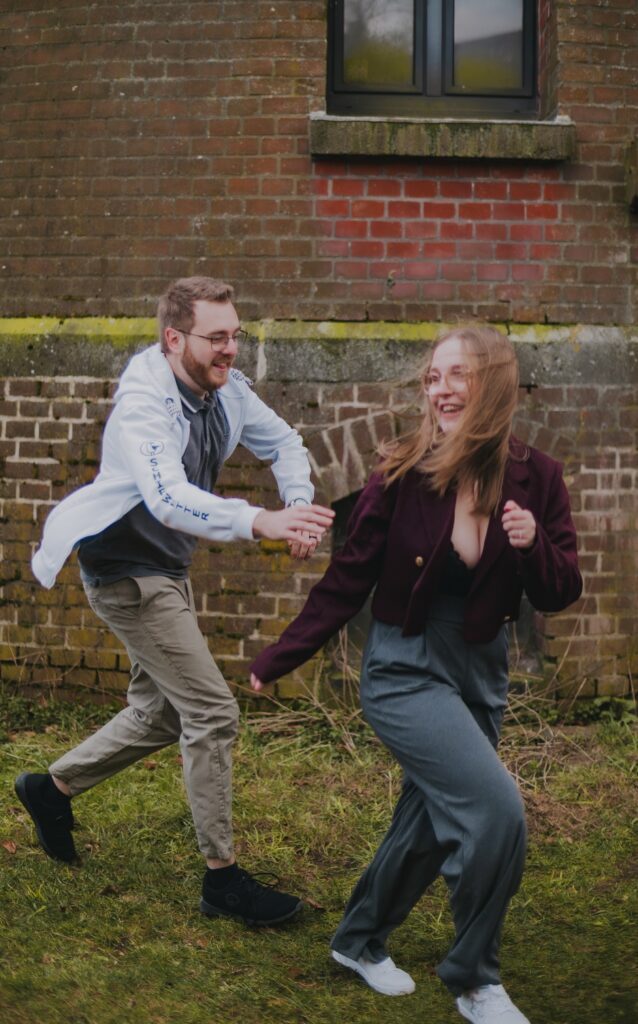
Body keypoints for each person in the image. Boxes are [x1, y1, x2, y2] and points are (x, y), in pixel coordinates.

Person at [249, 324, 582, 1021]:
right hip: (404, 666)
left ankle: (357, 939)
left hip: (480, 671)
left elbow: (560, 591)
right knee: (495, 810)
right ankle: (474, 978)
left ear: (493, 382)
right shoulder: (402, 472)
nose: (440, 389)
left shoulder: (539, 478)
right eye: (433, 377)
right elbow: (349, 576)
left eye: (457, 374)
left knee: (430, 820)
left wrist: (532, 546)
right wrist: (281, 655)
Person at [17, 275, 334, 927]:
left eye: (235, 335)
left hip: (165, 567)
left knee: (161, 713)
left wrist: (298, 505)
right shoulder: (144, 401)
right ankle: (223, 880)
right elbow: (166, 498)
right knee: (212, 711)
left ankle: (49, 789)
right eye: (216, 338)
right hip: (127, 573)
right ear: (173, 338)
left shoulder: (226, 389)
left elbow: (283, 443)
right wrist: (259, 520)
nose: (230, 349)